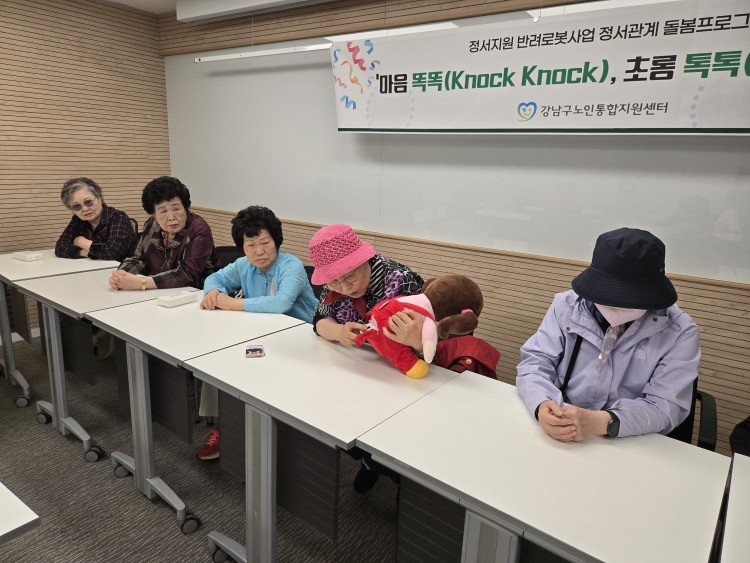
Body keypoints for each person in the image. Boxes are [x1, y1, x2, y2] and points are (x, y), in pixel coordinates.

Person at [516, 227, 700, 442]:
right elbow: (535, 362)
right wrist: (542, 404)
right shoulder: (566, 306)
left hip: (630, 437)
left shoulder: (679, 332)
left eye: (629, 299)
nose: (616, 306)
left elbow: (665, 406)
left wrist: (600, 422)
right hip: (560, 424)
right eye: (608, 295)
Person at [308, 223, 425, 491]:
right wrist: (339, 332)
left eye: (350, 278)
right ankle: (368, 461)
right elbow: (318, 321)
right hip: (356, 372)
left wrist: (414, 341)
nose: (344, 288)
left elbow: (430, 345)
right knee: (333, 418)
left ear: (364, 260)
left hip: (398, 378)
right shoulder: (336, 284)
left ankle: (395, 476)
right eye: (334, 282)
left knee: (394, 442)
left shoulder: (402, 281)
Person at [196, 206, 317, 460]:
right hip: (262, 337)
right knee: (215, 360)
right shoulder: (243, 265)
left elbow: (281, 303)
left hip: (302, 342)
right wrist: (213, 292)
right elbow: (214, 278)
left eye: (265, 242)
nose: (259, 251)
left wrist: (232, 303)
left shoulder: (291, 266)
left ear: (276, 241)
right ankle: (225, 426)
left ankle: (272, 437)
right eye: (250, 245)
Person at [109, 176, 216, 291]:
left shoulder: (198, 229)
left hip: (196, 293)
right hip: (158, 291)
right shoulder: (152, 224)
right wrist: (121, 275)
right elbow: (138, 259)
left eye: (176, 209)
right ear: (154, 214)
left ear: (185, 207)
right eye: (163, 211)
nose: (171, 217)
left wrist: (141, 283)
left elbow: (187, 274)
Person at [55, 177, 137, 261]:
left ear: (99, 198)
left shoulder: (119, 217)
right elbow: (60, 247)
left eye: (88, 202)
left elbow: (112, 252)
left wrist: (80, 241)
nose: (85, 209)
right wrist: (86, 253)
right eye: (76, 206)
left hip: (121, 267)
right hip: (93, 266)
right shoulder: (78, 220)